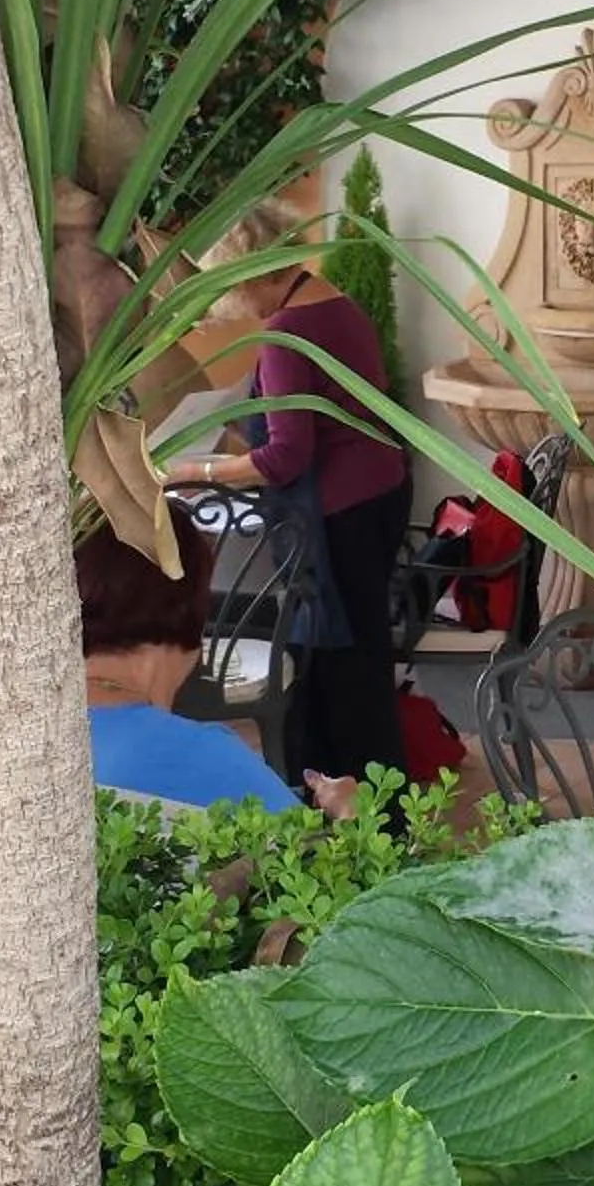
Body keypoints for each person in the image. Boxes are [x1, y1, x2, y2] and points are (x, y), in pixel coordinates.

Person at [164, 200, 410, 781]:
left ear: (247, 274)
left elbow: (283, 458)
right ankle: (382, 802)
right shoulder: (333, 301)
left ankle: (341, 800)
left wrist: (190, 473)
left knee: (333, 670)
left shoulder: (286, 333)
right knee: (363, 664)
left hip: (338, 518)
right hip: (379, 495)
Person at [75, 502, 300, 810]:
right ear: (189, 621)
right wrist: (346, 819)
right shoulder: (211, 762)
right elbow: (315, 853)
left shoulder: (6, 739)